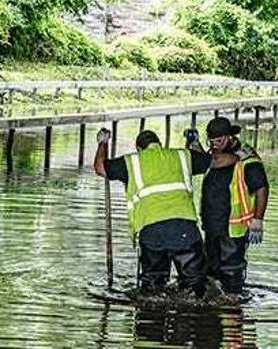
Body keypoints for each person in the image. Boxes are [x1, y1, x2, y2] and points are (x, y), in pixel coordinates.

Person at [94, 128, 210, 301]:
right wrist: (193, 143)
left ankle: (152, 322)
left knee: (153, 290)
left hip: (151, 231)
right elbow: (206, 162)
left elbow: (100, 168)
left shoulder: (132, 161)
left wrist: (103, 143)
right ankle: (193, 320)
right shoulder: (181, 156)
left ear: (139, 148)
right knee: (196, 286)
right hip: (183, 227)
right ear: (159, 145)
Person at [186, 117, 269, 295]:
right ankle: (212, 315)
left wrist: (258, 220)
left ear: (230, 137)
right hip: (212, 225)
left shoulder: (247, 158)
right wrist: (194, 146)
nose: (214, 145)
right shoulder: (215, 156)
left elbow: (262, 188)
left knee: (231, 273)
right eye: (211, 141)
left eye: (219, 141)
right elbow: (206, 162)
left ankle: (232, 308)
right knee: (211, 273)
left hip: (234, 230)